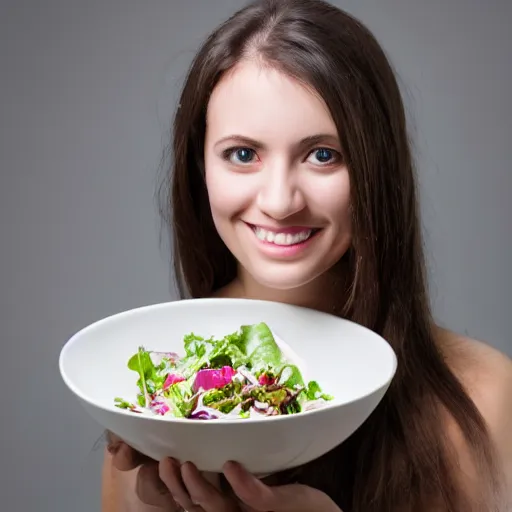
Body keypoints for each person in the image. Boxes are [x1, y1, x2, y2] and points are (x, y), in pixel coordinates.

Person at [102, 0, 512, 510]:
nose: (279, 201)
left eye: (323, 155)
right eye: (243, 154)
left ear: (374, 169)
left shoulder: (484, 396)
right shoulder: (157, 418)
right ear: (199, 167)